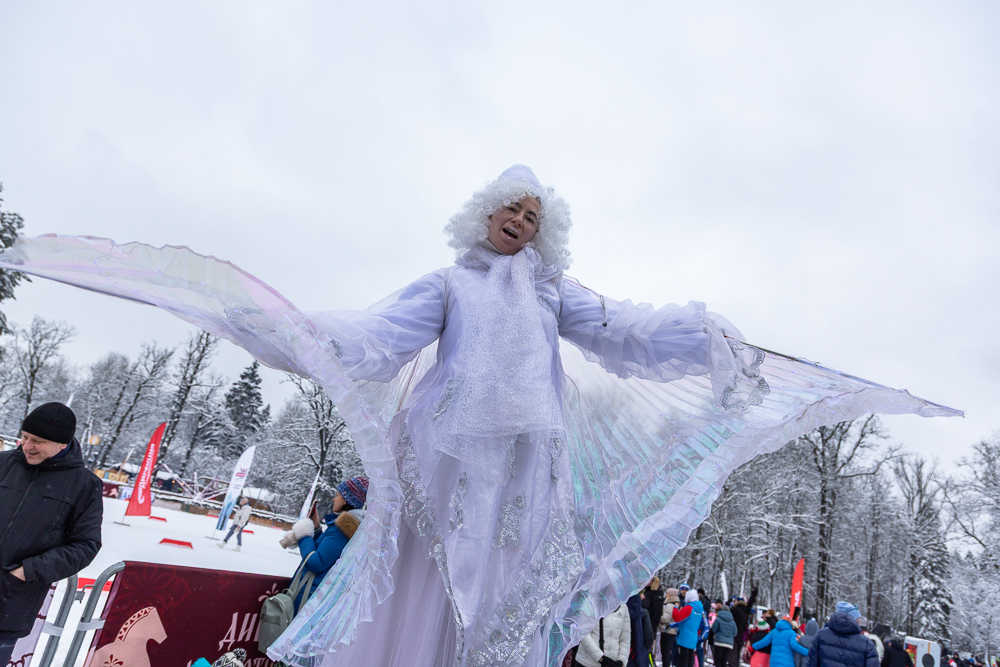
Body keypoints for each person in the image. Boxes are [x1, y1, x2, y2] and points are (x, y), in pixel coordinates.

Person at [1, 167, 957, 667]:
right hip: (445, 469)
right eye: (509, 208)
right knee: (422, 585)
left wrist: (704, 335)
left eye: (536, 214)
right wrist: (286, 327)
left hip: (523, 480)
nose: (521, 222)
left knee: (499, 605)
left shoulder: (553, 295)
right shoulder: (447, 283)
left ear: (550, 229)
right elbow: (373, 338)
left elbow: (623, 332)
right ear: (483, 213)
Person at [0, 403, 103, 664]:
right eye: (24, 437)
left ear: (62, 444)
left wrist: (28, 571)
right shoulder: (2, 464)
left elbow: (85, 545)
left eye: (38, 441)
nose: (27, 445)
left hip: (9, 603)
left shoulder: (85, 485)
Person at [289, 478, 368, 612]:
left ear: (346, 500)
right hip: (318, 594)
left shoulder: (342, 528)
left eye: (337, 495)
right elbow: (329, 553)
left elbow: (317, 563)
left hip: (309, 596)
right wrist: (317, 529)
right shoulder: (350, 526)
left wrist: (304, 534)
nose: (333, 499)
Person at [806, 602, 879, 667]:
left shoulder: (821, 635)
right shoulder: (867, 644)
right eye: (858, 618)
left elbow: (811, 663)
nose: (859, 621)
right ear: (852, 619)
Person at [672, 590, 704, 667]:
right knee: (690, 661)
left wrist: (675, 608)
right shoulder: (699, 609)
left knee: (683, 661)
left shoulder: (689, 608)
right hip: (693, 638)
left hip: (684, 638)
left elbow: (677, 618)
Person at [731, 588, 760, 667]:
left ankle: (733, 664)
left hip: (734, 634)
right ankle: (736, 664)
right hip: (742, 634)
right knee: (737, 652)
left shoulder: (734, 610)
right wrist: (753, 596)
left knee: (733, 651)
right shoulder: (746, 610)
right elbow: (750, 604)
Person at [661, 588, 681, 667]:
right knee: (669, 652)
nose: (666, 595)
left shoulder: (669, 605)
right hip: (672, 633)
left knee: (665, 653)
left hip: (667, 631)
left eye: (667, 593)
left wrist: (658, 618)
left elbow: (666, 618)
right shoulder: (675, 605)